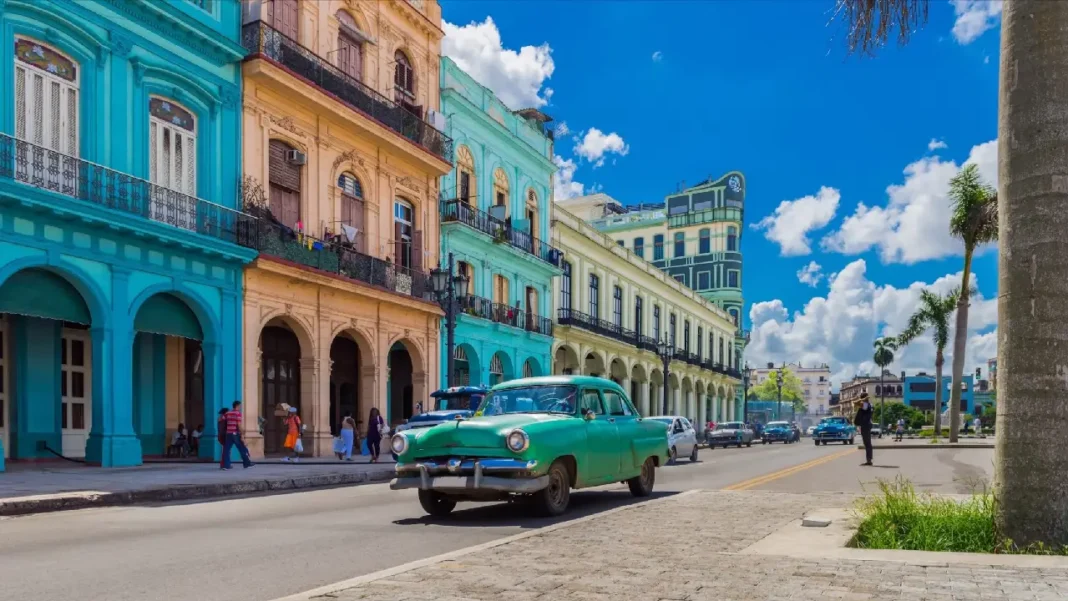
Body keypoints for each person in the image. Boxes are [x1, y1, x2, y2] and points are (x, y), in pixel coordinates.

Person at [222, 401, 253, 470]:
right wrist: (242, 433)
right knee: (242, 448)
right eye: (240, 406)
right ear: (237, 406)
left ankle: (226, 465)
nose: (240, 407)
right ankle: (247, 463)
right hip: (235, 433)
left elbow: (220, 419)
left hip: (228, 433)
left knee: (226, 449)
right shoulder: (238, 414)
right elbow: (239, 425)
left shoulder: (228, 413)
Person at [854, 392, 874, 466]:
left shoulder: (865, 405)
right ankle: (869, 459)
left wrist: (862, 399)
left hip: (865, 425)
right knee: (867, 443)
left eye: (861, 397)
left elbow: (855, 403)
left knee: (867, 443)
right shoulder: (869, 405)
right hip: (866, 424)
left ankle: (869, 460)